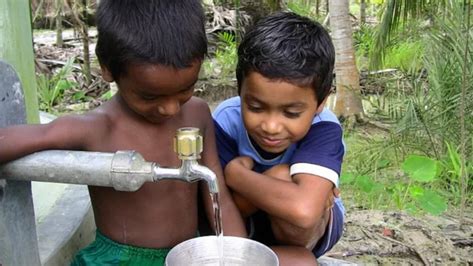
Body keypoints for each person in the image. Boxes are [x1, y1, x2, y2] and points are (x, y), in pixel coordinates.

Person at [0, 0, 246, 265]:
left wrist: (239, 254)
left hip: (188, 255)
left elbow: (217, 195)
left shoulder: (198, 114)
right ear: (107, 67)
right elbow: (21, 139)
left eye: (186, 89)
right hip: (119, 260)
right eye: (149, 96)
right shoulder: (97, 127)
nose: (170, 108)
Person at [212, 12, 345, 265]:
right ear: (239, 90)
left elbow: (304, 212)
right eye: (256, 107)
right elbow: (223, 209)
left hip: (305, 235)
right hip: (246, 227)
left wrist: (236, 176)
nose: (271, 126)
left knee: (282, 175)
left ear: (321, 102)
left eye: (291, 113)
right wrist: (286, 189)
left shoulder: (324, 127)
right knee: (283, 178)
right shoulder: (226, 119)